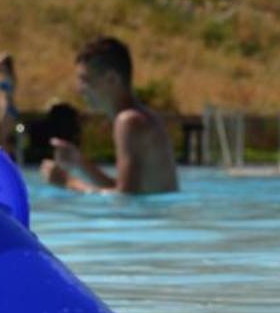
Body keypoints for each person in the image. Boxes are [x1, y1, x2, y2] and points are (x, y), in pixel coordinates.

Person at [42, 35, 179, 195]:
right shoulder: (140, 117)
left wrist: (68, 182)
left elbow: (125, 199)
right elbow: (127, 188)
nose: (80, 90)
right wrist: (80, 163)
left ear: (112, 80)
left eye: (85, 80)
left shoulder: (128, 121)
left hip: (151, 218)